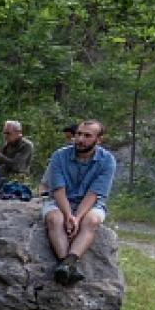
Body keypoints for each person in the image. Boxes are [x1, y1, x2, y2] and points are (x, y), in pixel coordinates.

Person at [43, 119, 115, 286]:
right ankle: (66, 264)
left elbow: (94, 193)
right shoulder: (59, 156)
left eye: (87, 136)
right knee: (55, 220)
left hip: (90, 202)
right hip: (60, 201)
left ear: (99, 140)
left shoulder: (107, 160)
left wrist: (77, 218)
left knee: (92, 221)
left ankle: (69, 262)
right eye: (78, 134)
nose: (80, 139)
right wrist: (69, 215)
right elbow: (58, 189)